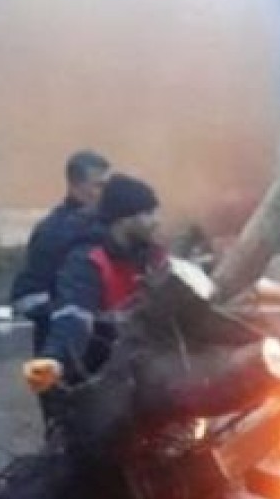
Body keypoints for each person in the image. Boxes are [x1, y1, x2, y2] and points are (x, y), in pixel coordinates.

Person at [22, 174, 168, 393]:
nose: (156, 221)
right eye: (148, 213)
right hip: (99, 376)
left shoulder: (154, 257)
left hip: (150, 372)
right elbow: (74, 316)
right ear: (124, 219)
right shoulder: (87, 261)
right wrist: (54, 359)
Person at [10, 150, 111, 356]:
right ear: (75, 186)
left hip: (100, 348)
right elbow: (26, 296)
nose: (106, 194)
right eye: (99, 185)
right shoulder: (53, 232)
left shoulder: (108, 227)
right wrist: (69, 312)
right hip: (60, 347)